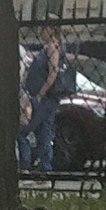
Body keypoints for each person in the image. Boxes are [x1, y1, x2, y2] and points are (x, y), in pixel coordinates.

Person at [19, 24, 71, 178]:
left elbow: (53, 71)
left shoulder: (52, 48)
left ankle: (29, 165)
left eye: (43, 28)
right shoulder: (49, 47)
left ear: (51, 30)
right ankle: (44, 169)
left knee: (24, 130)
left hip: (46, 98)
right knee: (43, 132)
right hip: (46, 98)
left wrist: (41, 93)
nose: (40, 31)